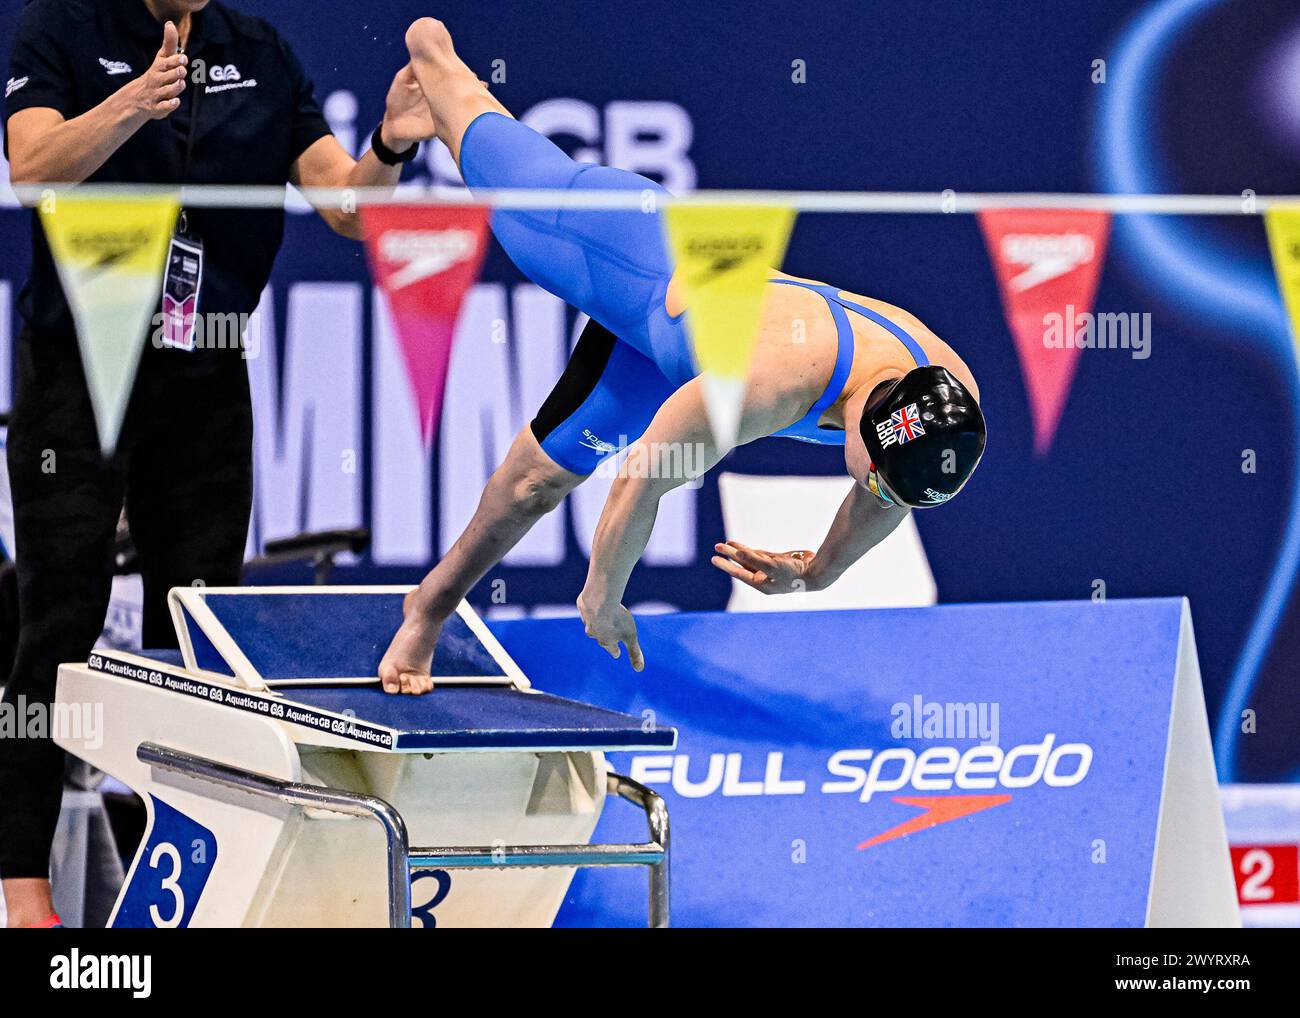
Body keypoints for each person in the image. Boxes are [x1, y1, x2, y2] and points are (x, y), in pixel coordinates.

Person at [378, 17, 985, 693]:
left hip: (667, 355)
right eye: (878, 482)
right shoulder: (769, 379)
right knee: (512, 183)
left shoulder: (945, 403)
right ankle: (436, 70)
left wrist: (815, 572)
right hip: (630, 255)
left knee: (533, 485)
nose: (880, 499)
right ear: (864, 436)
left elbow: (892, 487)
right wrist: (602, 599)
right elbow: (642, 478)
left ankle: (425, 607)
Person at [0, 0, 436, 928]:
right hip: (76, 369)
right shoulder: (61, 30)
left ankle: (189, 880)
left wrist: (392, 148)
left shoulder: (261, 52)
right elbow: (32, 167)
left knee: (195, 637)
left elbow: (347, 208)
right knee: (57, 626)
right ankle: (23, 893)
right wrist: (132, 106)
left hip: (202, 374)